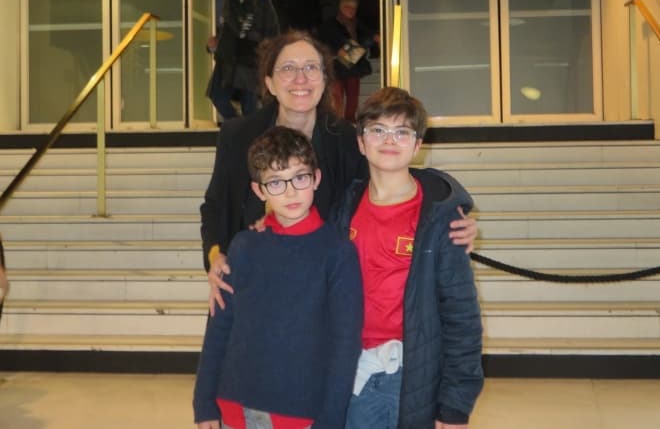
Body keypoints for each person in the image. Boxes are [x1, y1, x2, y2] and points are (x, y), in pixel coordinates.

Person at [201, 31, 478, 312]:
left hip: (320, 295)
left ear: (324, 80)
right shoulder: (237, 136)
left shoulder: (347, 141)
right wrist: (215, 256)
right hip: (249, 288)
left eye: (311, 68)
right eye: (288, 68)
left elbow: (393, 176)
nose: (300, 78)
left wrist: (447, 209)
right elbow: (215, 207)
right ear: (269, 83)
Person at [334, 87, 484, 429]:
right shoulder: (344, 207)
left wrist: (455, 406)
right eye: (378, 130)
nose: (390, 140)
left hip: (403, 373)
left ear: (418, 145)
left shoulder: (440, 218)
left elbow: (462, 316)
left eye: (402, 131)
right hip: (347, 368)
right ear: (360, 142)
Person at [193, 126, 363, 429]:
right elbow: (220, 327)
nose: (290, 191)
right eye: (275, 182)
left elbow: (345, 345)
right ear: (259, 190)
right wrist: (204, 401)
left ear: (317, 178)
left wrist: (332, 418)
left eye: (300, 177)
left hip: (301, 411)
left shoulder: (338, 252)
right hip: (234, 406)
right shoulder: (243, 246)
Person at [207, 0, 280, 120]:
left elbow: (272, 29)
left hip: (251, 56)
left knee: (250, 102)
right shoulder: (230, 1)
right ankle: (238, 125)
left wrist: (265, 49)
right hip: (228, 55)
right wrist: (215, 43)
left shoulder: (262, 0)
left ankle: (249, 135)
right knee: (217, 95)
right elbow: (226, 28)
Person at [318, 0, 376, 122]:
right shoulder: (330, 24)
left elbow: (368, 35)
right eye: (347, 7)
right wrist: (338, 50)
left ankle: (349, 123)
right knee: (336, 98)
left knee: (352, 99)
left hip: (352, 66)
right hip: (336, 66)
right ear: (340, 8)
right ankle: (336, 124)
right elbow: (324, 42)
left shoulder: (358, 24)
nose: (351, 10)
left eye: (354, 8)